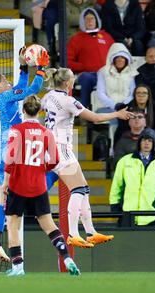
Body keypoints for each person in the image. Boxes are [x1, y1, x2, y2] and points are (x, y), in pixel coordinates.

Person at [42, 67, 133, 248]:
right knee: (78, 190)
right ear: (68, 83)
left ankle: (90, 232)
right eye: (73, 80)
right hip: (61, 148)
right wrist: (118, 114)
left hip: (51, 147)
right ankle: (73, 234)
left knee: (83, 188)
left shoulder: (49, 96)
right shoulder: (68, 101)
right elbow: (96, 118)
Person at [0, 47, 49, 262]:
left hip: (0, 152)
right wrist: (40, 68)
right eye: (4, 81)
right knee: (36, 183)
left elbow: (20, 86)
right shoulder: (4, 98)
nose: (8, 83)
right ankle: (42, 216)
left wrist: (23, 65)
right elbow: (32, 89)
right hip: (13, 150)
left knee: (3, 200)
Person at [3, 95, 80, 276]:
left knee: (13, 224)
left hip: (18, 184)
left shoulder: (16, 130)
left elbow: (10, 158)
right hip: (38, 185)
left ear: (23, 110)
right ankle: (67, 258)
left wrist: (6, 182)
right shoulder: (47, 132)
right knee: (48, 225)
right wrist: (40, 169)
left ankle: (18, 266)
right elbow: (54, 161)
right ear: (39, 111)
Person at [110, 128, 155, 226]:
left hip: (151, 218)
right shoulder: (124, 161)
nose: (147, 143)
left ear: (153, 144)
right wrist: (115, 207)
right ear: (139, 142)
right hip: (127, 215)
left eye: (150, 141)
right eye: (144, 140)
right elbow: (116, 186)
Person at [67, 7, 114, 107]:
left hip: (107, 73)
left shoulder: (106, 37)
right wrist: (83, 66)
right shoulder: (76, 39)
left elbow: (115, 54)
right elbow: (68, 61)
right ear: (82, 22)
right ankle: (85, 110)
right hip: (89, 74)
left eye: (92, 18)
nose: (89, 21)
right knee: (85, 78)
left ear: (96, 20)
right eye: (87, 19)